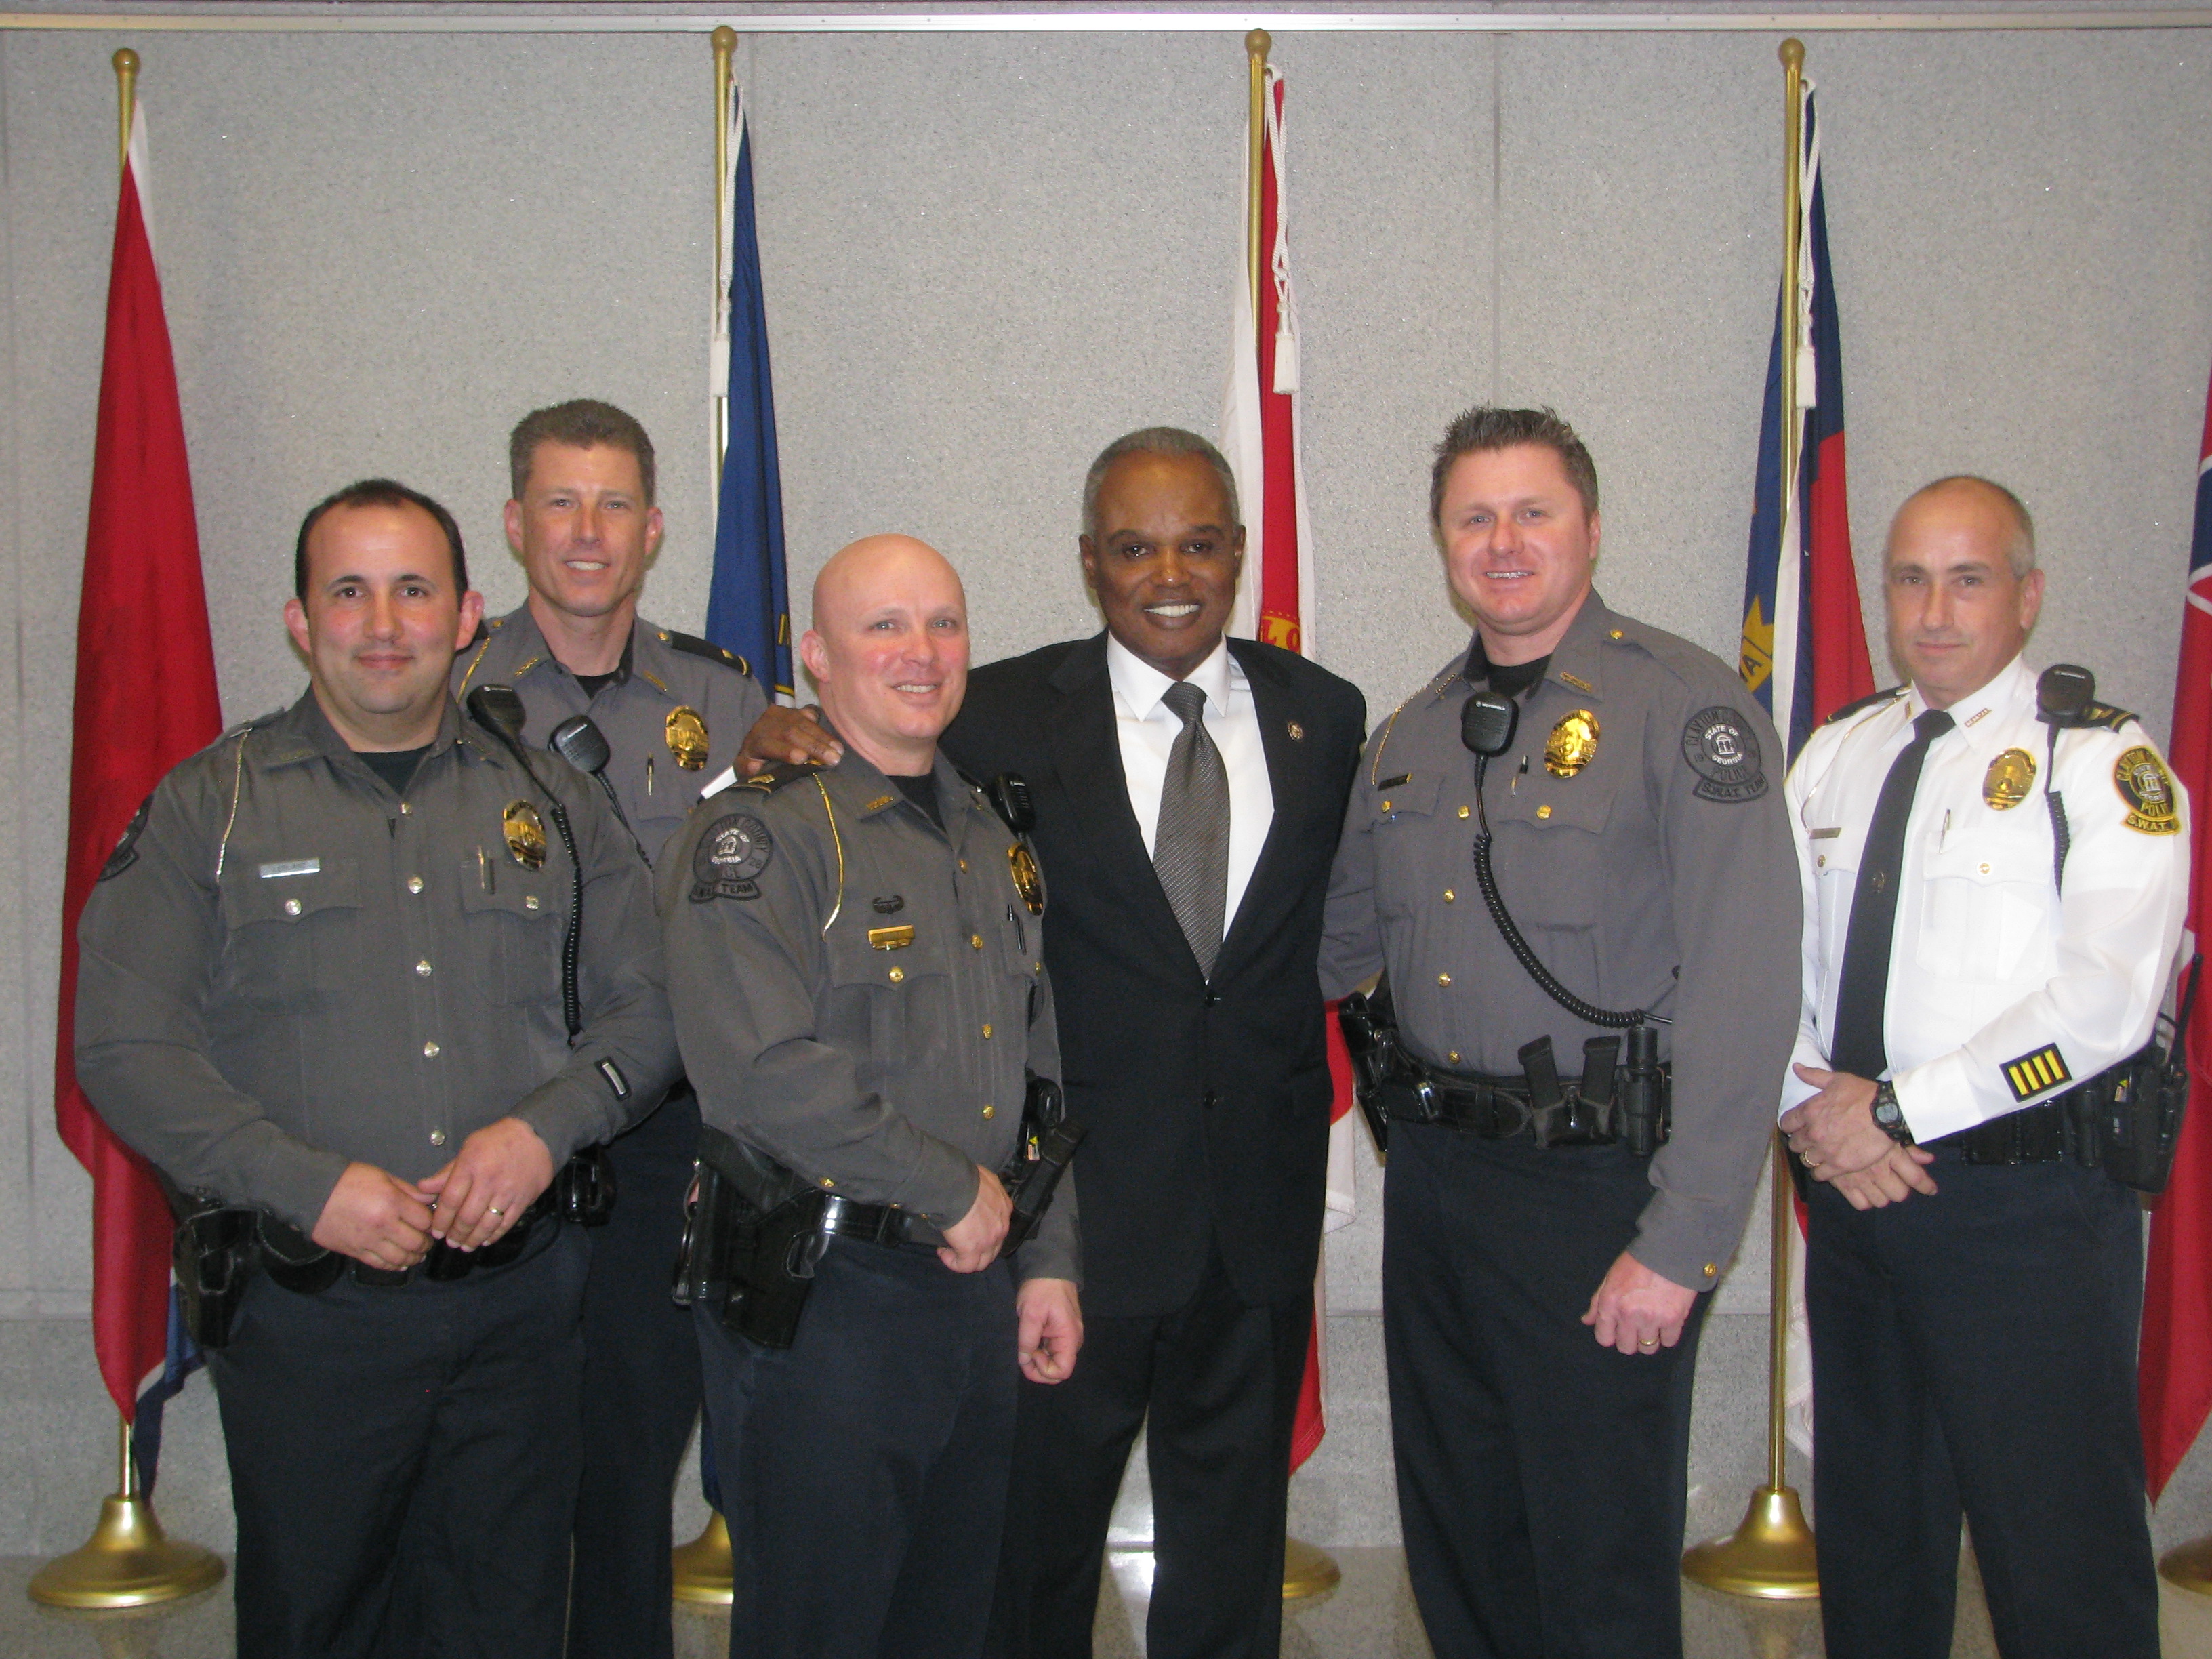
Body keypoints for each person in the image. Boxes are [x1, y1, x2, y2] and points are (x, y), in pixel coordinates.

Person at [743, 429, 1366, 1659]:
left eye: (1199, 543)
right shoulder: (998, 713)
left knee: (1234, 1561)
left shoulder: (1324, 715)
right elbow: (864, 759)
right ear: (1090, 563)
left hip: (1256, 1217)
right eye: (1134, 548)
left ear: (1240, 552)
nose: (1169, 574)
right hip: (1070, 1225)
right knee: (1032, 1561)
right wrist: (771, 739)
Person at [75, 478, 678, 1658]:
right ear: (300, 621)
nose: (386, 623)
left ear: (467, 615)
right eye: (349, 592)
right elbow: (124, 1047)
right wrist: (305, 1184)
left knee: (506, 1619)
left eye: (414, 590)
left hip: (522, 1306)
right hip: (310, 1316)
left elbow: (650, 1006)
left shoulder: (552, 799)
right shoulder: (212, 807)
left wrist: (546, 1130)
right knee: (319, 1620)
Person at [1319, 406, 1800, 1658]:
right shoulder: (1415, 730)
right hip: (1443, 1188)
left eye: (1533, 512)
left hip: (1602, 1195)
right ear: (1443, 542)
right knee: (1462, 1543)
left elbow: (1747, 989)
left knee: (1597, 1564)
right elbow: (1335, 943)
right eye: (1474, 517)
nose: (1504, 542)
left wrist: (1684, 1240)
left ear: (1590, 527)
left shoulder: (1683, 709)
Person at [1778, 476, 2184, 1659]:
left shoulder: (2100, 763)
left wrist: (1901, 1111)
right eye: (1910, 579)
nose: (1934, 610)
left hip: (2027, 1214)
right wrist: (1811, 1110)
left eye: (1968, 579)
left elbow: (2105, 1004)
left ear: (2029, 595)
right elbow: (1769, 957)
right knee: (1874, 1552)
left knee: (2061, 1560)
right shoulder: (1837, 753)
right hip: (1855, 1198)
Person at [661, 534, 1081, 1659]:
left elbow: (1036, 1065)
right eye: (883, 626)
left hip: (973, 1291)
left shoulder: (985, 830)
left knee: (950, 1624)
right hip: (826, 1299)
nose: (920, 652)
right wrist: (949, 1188)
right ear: (817, 656)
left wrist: (1050, 1258)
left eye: (943, 624)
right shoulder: (761, 833)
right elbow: (758, 1072)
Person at [454, 399, 766, 1659]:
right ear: (515, 522)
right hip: (495, 1132)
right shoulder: (449, 691)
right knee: (492, 1473)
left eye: (615, 505)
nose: (588, 532)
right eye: (561, 503)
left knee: (631, 1468)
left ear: (654, 529)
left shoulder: (725, 701)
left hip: (665, 1139)